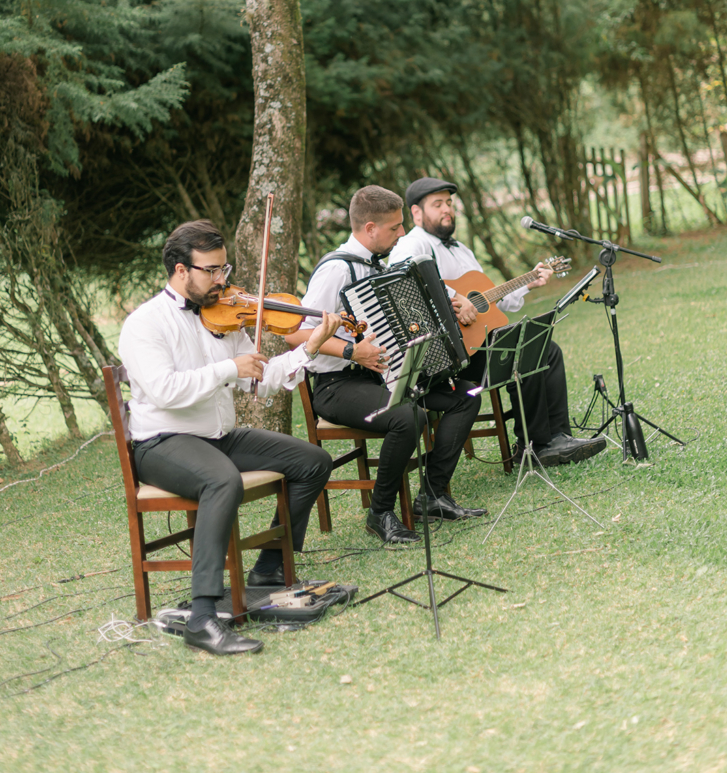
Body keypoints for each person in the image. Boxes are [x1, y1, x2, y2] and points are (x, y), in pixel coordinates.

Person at [118, 219, 339, 657]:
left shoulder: (223, 317)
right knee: (223, 481)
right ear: (181, 270)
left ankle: (270, 569)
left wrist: (311, 346)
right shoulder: (145, 324)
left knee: (312, 461)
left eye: (225, 269)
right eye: (212, 270)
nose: (223, 280)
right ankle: (202, 618)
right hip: (162, 442)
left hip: (217, 436)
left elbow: (262, 380)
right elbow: (165, 389)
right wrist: (227, 369)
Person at [284, 185, 487, 546]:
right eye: (394, 228)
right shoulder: (336, 270)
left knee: (465, 396)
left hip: (384, 376)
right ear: (370, 228)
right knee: (409, 416)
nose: (402, 234)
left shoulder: (381, 265)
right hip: (337, 385)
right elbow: (297, 336)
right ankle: (380, 512)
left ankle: (432, 495)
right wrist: (352, 352)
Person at [389, 178, 605, 467]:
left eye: (450, 203)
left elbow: (489, 300)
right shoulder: (412, 243)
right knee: (524, 351)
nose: (447, 210)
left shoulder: (461, 249)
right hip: (447, 353)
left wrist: (529, 282)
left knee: (545, 347)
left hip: (476, 342)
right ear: (416, 213)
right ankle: (533, 446)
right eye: (437, 204)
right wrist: (454, 296)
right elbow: (405, 275)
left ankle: (558, 437)